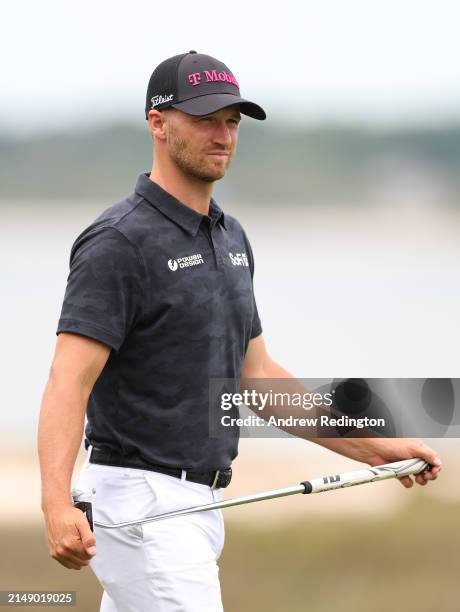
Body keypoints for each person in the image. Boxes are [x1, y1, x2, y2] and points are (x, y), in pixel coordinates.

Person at [38, 51, 442, 612]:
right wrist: (56, 502)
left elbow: (257, 377)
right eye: (205, 118)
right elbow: (68, 381)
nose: (223, 134)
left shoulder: (230, 238)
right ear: (158, 123)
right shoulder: (118, 243)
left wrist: (374, 447)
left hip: (201, 503)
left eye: (232, 120)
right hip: (141, 503)